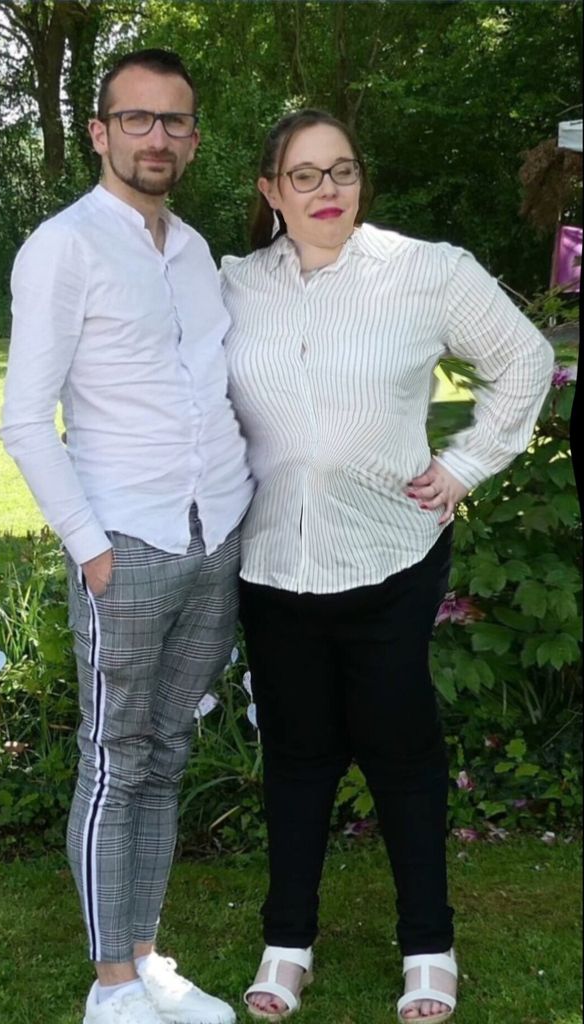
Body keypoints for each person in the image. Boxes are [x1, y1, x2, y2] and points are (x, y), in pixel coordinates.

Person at [220, 109, 554, 1023]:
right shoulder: (233, 284)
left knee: (401, 755)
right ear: (270, 190)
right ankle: (286, 943)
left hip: (390, 558)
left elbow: (524, 359)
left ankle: (428, 947)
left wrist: (466, 464)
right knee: (296, 757)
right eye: (304, 175)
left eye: (343, 171)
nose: (327, 190)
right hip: (272, 562)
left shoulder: (426, 271)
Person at [0, 49, 253, 1024]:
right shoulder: (63, 246)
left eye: (174, 120)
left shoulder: (193, 251)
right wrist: (91, 547)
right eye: (137, 118)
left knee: (168, 750)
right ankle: (110, 987)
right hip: (127, 543)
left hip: (213, 535)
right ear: (100, 131)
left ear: (193, 138)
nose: (157, 136)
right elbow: (25, 418)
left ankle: (146, 957)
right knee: (115, 757)